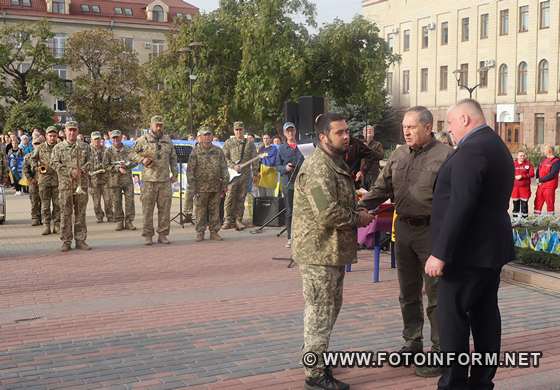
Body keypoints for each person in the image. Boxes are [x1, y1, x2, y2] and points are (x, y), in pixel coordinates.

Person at [425, 99, 515, 389]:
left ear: (465, 119)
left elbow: (461, 204)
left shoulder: (471, 150)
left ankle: (454, 382)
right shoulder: (495, 145)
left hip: (466, 254)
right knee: (486, 315)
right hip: (487, 251)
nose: (448, 130)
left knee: (452, 320)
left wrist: (440, 252)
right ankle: (481, 382)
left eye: (450, 123)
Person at [360, 106, 453, 377]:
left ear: (428, 127)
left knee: (436, 294)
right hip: (403, 229)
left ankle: (441, 351)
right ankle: (412, 342)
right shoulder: (398, 154)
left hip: (432, 231)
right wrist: (359, 209)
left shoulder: (446, 156)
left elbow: (456, 200)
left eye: (412, 127)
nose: (406, 131)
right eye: (404, 127)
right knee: (408, 292)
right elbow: (380, 188)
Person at [293, 112, 374, 390]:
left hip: (331, 251)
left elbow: (338, 201)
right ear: (323, 137)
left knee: (329, 309)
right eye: (339, 132)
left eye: (346, 131)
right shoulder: (318, 167)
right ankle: (314, 373)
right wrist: (358, 218)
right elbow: (326, 213)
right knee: (320, 310)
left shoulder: (334, 162)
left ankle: (316, 356)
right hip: (318, 251)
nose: (346, 136)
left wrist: (357, 206)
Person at [130, 115, 177, 245]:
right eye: (156, 125)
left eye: (161, 125)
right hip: (149, 181)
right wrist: (142, 159)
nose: (159, 127)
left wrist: (175, 173)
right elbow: (131, 153)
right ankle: (148, 235)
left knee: (165, 209)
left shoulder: (167, 140)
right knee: (147, 209)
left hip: (164, 181)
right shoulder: (143, 139)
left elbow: (173, 158)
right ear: (151, 125)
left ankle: (163, 234)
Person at [50, 121, 92, 251]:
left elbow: (92, 161)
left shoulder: (85, 147)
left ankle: (80, 240)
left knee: (80, 213)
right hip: (65, 186)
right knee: (65, 213)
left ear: (77, 131)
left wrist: (82, 170)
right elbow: (54, 163)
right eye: (70, 130)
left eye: (74, 130)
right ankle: (66, 241)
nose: (72, 132)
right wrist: (69, 171)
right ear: (65, 131)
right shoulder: (58, 147)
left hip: (81, 185)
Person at [187, 127, 229, 241]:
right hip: (201, 187)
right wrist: (192, 187)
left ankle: (214, 232)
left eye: (209, 135)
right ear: (199, 137)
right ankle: (200, 232)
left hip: (216, 186)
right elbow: (190, 170)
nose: (207, 137)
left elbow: (224, 168)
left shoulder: (218, 151)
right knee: (200, 211)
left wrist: (225, 183)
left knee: (214, 210)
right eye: (204, 135)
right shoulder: (195, 151)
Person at [222, 121, 259, 230]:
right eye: (236, 130)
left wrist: (255, 173)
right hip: (233, 175)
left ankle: (238, 220)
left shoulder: (249, 143)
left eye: (240, 129)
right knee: (229, 197)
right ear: (234, 130)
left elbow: (255, 159)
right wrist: (233, 166)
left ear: (244, 130)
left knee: (241, 198)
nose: (239, 131)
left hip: (245, 175)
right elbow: (224, 158)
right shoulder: (229, 142)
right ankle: (228, 220)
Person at [275, 122, 304, 248]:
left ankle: (303, 236)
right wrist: (285, 168)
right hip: (288, 182)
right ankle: (290, 237)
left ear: (295, 131)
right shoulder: (281, 148)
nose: (290, 133)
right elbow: (277, 166)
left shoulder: (302, 146)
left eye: (292, 130)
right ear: (284, 133)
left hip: (303, 181)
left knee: (303, 210)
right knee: (290, 210)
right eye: (288, 131)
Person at [105, 130, 137, 231]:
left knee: (130, 201)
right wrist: (117, 168)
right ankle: (119, 221)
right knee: (116, 201)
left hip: (127, 180)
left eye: (117, 137)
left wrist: (127, 166)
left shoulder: (128, 149)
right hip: (114, 181)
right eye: (113, 138)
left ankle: (129, 222)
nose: (115, 140)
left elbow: (135, 161)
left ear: (121, 137)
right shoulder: (108, 151)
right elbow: (105, 166)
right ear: (111, 139)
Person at [32, 126, 61, 236]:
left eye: (54, 136)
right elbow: (33, 160)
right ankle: (47, 225)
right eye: (50, 136)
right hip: (44, 180)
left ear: (57, 136)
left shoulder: (60, 147)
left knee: (58, 204)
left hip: (57, 180)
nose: (52, 138)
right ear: (46, 136)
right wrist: (40, 169)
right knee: (45, 204)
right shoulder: (40, 148)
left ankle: (57, 225)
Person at [89, 131, 114, 223]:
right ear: (91, 140)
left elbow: (111, 163)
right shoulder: (87, 151)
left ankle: (110, 215)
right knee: (96, 201)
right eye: (95, 139)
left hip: (106, 179)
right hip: (93, 180)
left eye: (98, 139)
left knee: (108, 200)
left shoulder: (107, 150)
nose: (97, 141)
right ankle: (99, 216)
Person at [534, 145, 560, 216]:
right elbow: (538, 169)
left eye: (545, 149)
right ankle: (536, 218)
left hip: (549, 186)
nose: (544, 151)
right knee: (537, 202)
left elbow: (552, 174)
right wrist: (537, 179)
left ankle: (550, 220)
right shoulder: (544, 159)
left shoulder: (556, 161)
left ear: (549, 151)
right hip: (541, 185)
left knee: (550, 203)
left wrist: (540, 180)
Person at [23, 135, 43, 226]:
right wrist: (31, 179)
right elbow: (25, 170)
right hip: (33, 182)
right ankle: (35, 217)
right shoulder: (28, 156)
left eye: (39, 143)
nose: (37, 145)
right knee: (34, 201)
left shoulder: (44, 156)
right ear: (32, 144)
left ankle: (43, 217)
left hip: (44, 181)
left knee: (44, 201)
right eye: (35, 143)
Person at [512, 151, 534, 219]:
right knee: (515, 204)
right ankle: (515, 218)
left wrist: (522, 176)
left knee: (524, 204)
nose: (522, 157)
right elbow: (509, 173)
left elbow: (532, 174)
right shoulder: (513, 164)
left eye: (523, 155)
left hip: (525, 188)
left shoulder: (528, 164)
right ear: (517, 156)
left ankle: (524, 219)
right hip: (515, 188)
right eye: (520, 155)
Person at [362, 125, 385, 190]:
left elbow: (381, 156)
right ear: (363, 133)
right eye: (367, 130)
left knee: (373, 192)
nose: (369, 131)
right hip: (362, 174)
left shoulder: (378, 144)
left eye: (371, 130)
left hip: (373, 174)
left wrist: (368, 149)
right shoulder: (360, 144)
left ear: (373, 133)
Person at [256, 133, 278, 197]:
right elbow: (257, 161)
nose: (265, 140)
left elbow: (272, 161)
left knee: (269, 196)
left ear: (270, 139)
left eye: (267, 138)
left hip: (269, 175)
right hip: (260, 175)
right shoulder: (260, 149)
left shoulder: (273, 149)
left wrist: (263, 157)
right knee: (261, 196)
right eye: (264, 138)